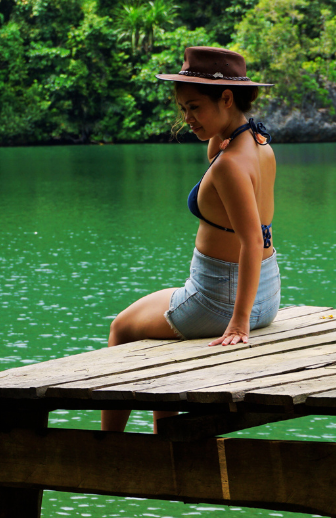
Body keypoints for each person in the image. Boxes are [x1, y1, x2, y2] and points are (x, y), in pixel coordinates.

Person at [101, 46, 280, 433]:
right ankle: (165, 436)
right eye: (183, 108)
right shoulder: (257, 143)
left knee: (121, 328)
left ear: (227, 98)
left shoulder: (231, 165)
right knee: (153, 328)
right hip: (266, 295)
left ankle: (106, 445)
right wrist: (214, 131)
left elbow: (251, 241)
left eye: (195, 107)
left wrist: (239, 325)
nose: (187, 119)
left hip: (220, 300)